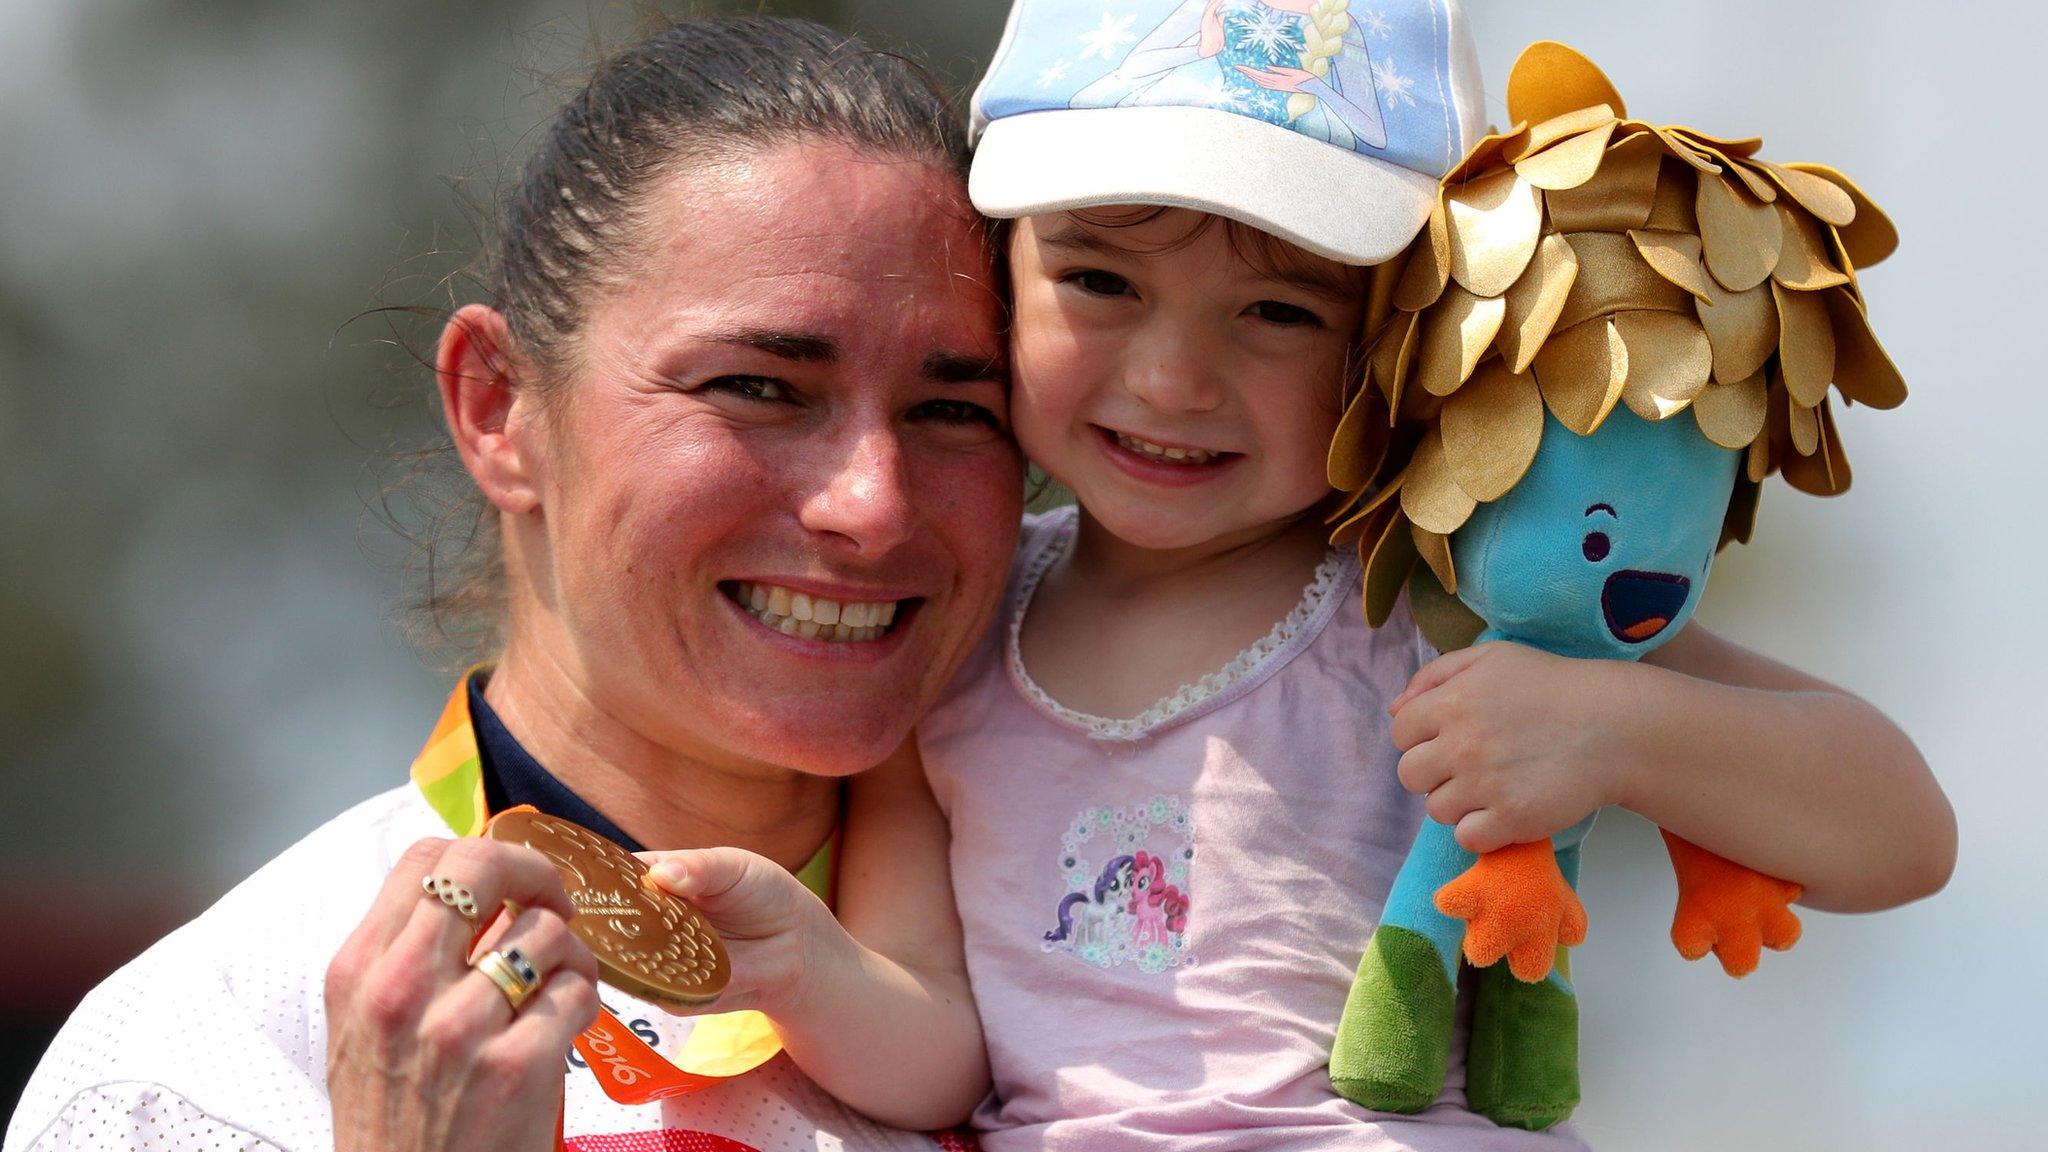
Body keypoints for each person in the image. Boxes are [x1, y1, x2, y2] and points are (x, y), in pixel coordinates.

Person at [647, 1, 1956, 1148]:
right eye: (1099, 279)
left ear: (1405, 337)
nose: (1172, 378)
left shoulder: (1430, 597)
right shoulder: (957, 636)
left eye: (1279, 310)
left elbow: (1898, 831)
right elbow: (940, 1048)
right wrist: (801, 963)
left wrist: (1615, 728)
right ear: (999, 281)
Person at [4, 17, 1021, 1152]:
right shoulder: (202, 1070)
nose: (873, 502)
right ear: (497, 407)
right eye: (759, 388)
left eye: (955, 411)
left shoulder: (1158, 953)